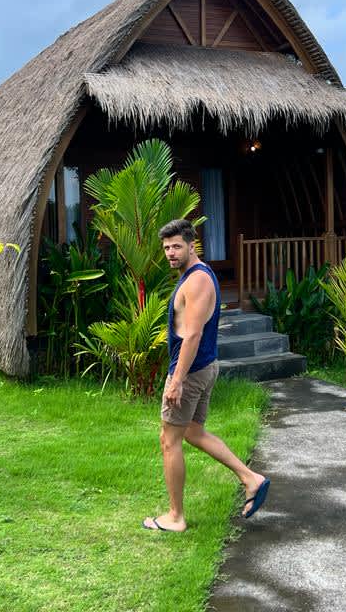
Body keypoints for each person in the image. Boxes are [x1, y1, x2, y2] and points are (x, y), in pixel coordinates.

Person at [142, 218, 270, 533]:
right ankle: (251, 478)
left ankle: (175, 517)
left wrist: (176, 380)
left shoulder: (197, 280)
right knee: (193, 432)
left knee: (169, 441)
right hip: (203, 368)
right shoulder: (199, 275)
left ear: (191, 245)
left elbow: (193, 334)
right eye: (167, 248)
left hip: (192, 371)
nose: (170, 253)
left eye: (176, 246)